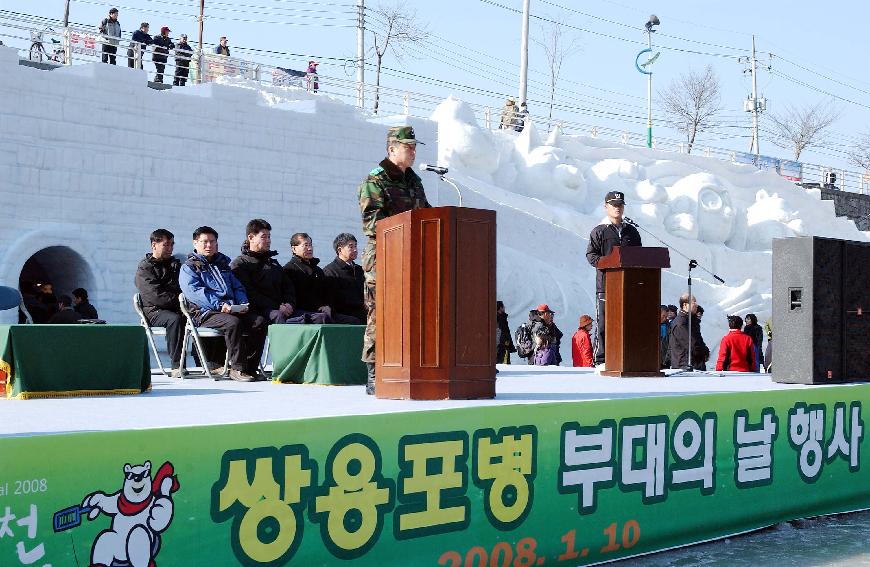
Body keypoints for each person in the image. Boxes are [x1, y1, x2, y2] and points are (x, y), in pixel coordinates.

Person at [358, 125, 431, 394]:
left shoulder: (414, 181)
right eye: (407, 147)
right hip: (384, 258)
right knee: (381, 315)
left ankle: (410, 366)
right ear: (391, 149)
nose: (412, 152)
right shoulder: (375, 181)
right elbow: (372, 224)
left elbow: (426, 214)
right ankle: (375, 371)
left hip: (414, 259)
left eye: (414, 147)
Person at [179, 226, 265, 382]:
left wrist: (242, 303)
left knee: (258, 321)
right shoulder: (189, 267)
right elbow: (196, 293)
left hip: (229, 309)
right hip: (203, 313)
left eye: (212, 241)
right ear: (195, 243)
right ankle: (237, 368)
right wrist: (219, 305)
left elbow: (237, 286)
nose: (209, 245)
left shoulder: (223, 264)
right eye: (204, 242)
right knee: (233, 323)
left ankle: (250, 368)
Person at [585, 191, 642, 366]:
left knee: (628, 323)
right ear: (606, 207)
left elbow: (641, 255)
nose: (618, 208)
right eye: (614, 205)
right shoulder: (599, 231)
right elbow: (591, 256)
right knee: (605, 324)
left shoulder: (631, 231)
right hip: (606, 286)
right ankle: (602, 359)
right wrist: (608, 263)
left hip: (628, 286)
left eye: (620, 205)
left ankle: (627, 357)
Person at [231, 219, 321, 325]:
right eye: (264, 237)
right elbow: (250, 293)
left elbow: (288, 287)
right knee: (279, 316)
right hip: (260, 310)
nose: (268, 240)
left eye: (269, 237)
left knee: (320, 318)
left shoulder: (273, 263)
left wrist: (289, 304)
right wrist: (277, 306)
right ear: (251, 238)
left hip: (283, 308)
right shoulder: (240, 263)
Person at [135, 229, 186, 377]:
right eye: (166, 245)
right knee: (175, 319)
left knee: (197, 317)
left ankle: (208, 362)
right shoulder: (145, 268)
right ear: (154, 245)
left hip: (175, 307)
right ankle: (177, 365)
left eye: (172, 245)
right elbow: (155, 295)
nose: (170, 249)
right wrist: (180, 303)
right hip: (153, 311)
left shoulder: (175, 265)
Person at [283, 233, 357, 325]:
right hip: (301, 313)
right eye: (305, 245)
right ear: (294, 249)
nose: (310, 248)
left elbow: (327, 293)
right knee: (322, 318)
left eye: (310, 245)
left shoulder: (318, 270)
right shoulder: (289, 270)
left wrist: (327, 306)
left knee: (352, 320)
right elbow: (291, 295)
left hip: (321, 311)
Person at [322, 233, 366, 324]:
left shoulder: (359, 270)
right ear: (340, 250)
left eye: (356, 246)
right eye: (351, 247)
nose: (355, 250)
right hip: (345, 314)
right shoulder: (330, 271)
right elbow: (333, 300)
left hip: (363, 310)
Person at [669, 293, 709, 370]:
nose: (696, 305)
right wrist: (704, 352)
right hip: (685, 366)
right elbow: (692, 344)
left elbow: (698, 340)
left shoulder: (691, 320)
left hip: (695, 364)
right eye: (694, 302)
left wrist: (705, 351)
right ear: (685, 305)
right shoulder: (681, 323)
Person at [659, 305, 671, 369]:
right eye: (663, 316)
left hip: (666, 360)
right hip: (656, 360)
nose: (665, 319)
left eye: (666, 317)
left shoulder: (668, 326)